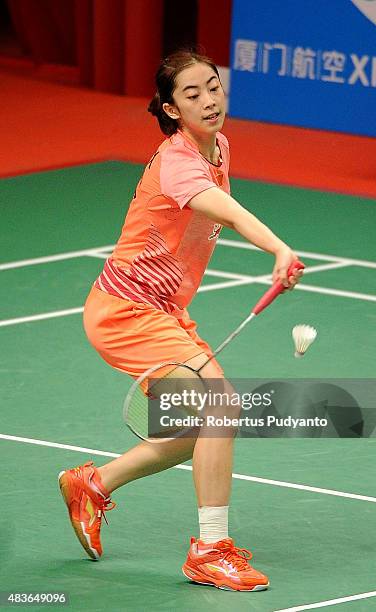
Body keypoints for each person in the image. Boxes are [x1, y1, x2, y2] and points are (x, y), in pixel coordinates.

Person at [58, 50, 302, 592]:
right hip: (127, 310)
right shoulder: (178, 162)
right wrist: (279, 250)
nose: (210, 100)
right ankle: (211, 549)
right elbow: (229, 212)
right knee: (221, 408)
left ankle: (94, 483)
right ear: (171, 108)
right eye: (192, 95)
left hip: (164, 310)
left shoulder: (218, 146)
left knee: (201, 425)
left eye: (213, 86)